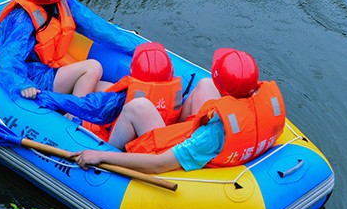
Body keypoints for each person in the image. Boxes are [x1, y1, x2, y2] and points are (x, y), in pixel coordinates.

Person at [71, 48, 286, 174]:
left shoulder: (211, 135)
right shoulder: (265, 103)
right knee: (205, 84)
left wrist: (100, 156)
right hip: (210, 135)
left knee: (137, 107)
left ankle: (109, 146)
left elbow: (159, 165)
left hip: (169, 151)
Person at [0, 0, 141, 101]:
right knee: (93, 67)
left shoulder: (62, 2)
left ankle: (86, 116)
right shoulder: (23, 20)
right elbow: (8, 57)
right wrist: (22, 85)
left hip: (56, 68)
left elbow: (96, 27)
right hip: (34, 75)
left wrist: (136, 48)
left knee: (115, 90)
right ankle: (74, 114)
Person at [81, 42, 183, 148]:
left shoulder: (129, 99)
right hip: (161, 132)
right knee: (101, 86)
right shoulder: (173, 93)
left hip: (119, 145)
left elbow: (102, 113)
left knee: (93, 84)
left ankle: (67, 119)